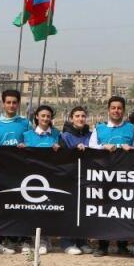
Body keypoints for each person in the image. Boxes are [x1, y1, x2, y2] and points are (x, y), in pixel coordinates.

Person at [89, 95, 134, 255]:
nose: (116, 111)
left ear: (124, 110)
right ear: (108, 110)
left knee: (123, 210)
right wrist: (103, 147)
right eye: (113, 108)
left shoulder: (132, 129)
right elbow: (91, 148)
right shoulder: (99, 129)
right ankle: (102, 245)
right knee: (103, 210)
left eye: (119, 108)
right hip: (103, 176)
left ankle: (122, 245)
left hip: (124, 176)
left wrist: (131, 150)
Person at [0, 89, 30, 255]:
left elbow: (32, 144)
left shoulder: (26, 123)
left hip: (22, 174)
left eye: (14, 102)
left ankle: (24, 240)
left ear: (18, 104)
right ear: (3, 104)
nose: (11, 105)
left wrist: (26, 147)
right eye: (8, 102)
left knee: (24, 207)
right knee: (6, 207)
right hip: (4, 175)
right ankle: (7, 240)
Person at [21, 104, 60, 254]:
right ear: (37, 117)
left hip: (50, 178)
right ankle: (29, 240)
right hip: (31, 178)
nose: (45, 118)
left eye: (48, 116)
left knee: (46, 210)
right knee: (30, 210)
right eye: (42, 115)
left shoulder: (57, 134)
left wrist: (59, 149)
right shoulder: (27, 135)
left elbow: (63, 155)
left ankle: (44, 240)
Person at [57, 105, 92, 255]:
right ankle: (67, 242)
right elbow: (62, 156)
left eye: (83, 116)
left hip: (87, 177)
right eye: (77, 116)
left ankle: (82, 241)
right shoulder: (64, 136)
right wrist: (75, 149)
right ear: (71, 118)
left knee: (84, 210)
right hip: (70, 178)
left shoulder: (91, 135)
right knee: (70, 210)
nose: (80, 119)